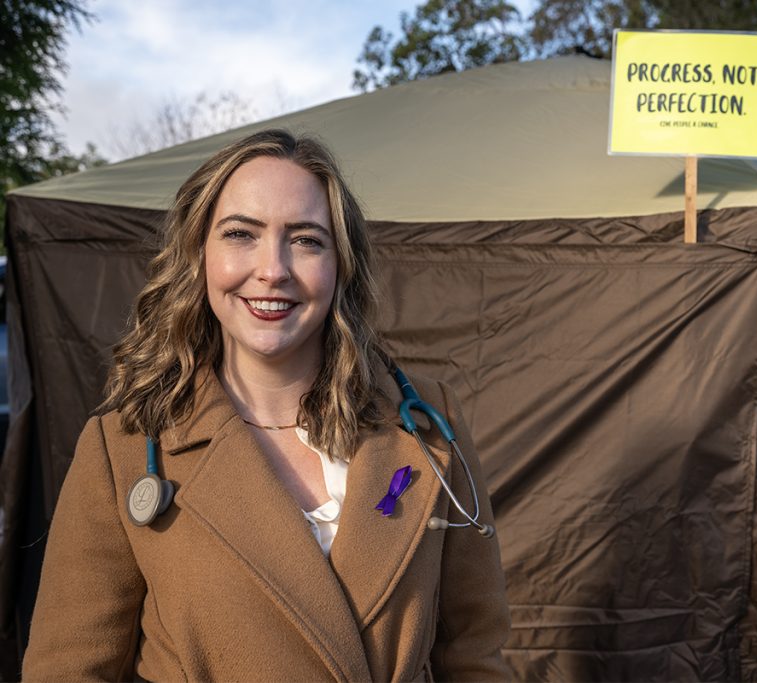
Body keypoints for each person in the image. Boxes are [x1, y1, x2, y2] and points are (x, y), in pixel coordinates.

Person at [22, 129, 511, 681]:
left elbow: (474, 655)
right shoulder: (125, 449)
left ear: (341, 264)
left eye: (305, 240)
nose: (273, 268)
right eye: (240, 234)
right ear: (197, 254)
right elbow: (67, 670)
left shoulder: (425, 427)